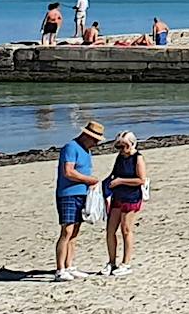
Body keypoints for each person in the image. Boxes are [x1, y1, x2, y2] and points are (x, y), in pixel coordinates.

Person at [53, 118, 108, 280]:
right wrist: (89, 180)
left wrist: (90, 183)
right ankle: (60, 269)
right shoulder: (71, 147)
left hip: (82, 193)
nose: (96, 144)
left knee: (75, 231)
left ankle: (69, 265)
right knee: (67, 230)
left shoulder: (86, 151)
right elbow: (68, 172)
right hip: (68, 193)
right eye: (95, 140)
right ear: (87, 136)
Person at [104, 132, 146, 274]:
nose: (121, 149)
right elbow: (114, 174)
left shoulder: (137, 158)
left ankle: (126, 263)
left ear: (132, 144)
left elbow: (141, 180)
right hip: (117, 197)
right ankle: (111, 262)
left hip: (131, 197)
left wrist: (121, 181)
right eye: (119, 146)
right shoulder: (120, 157)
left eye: (124, 146)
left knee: (126, 229)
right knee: (110, 230)